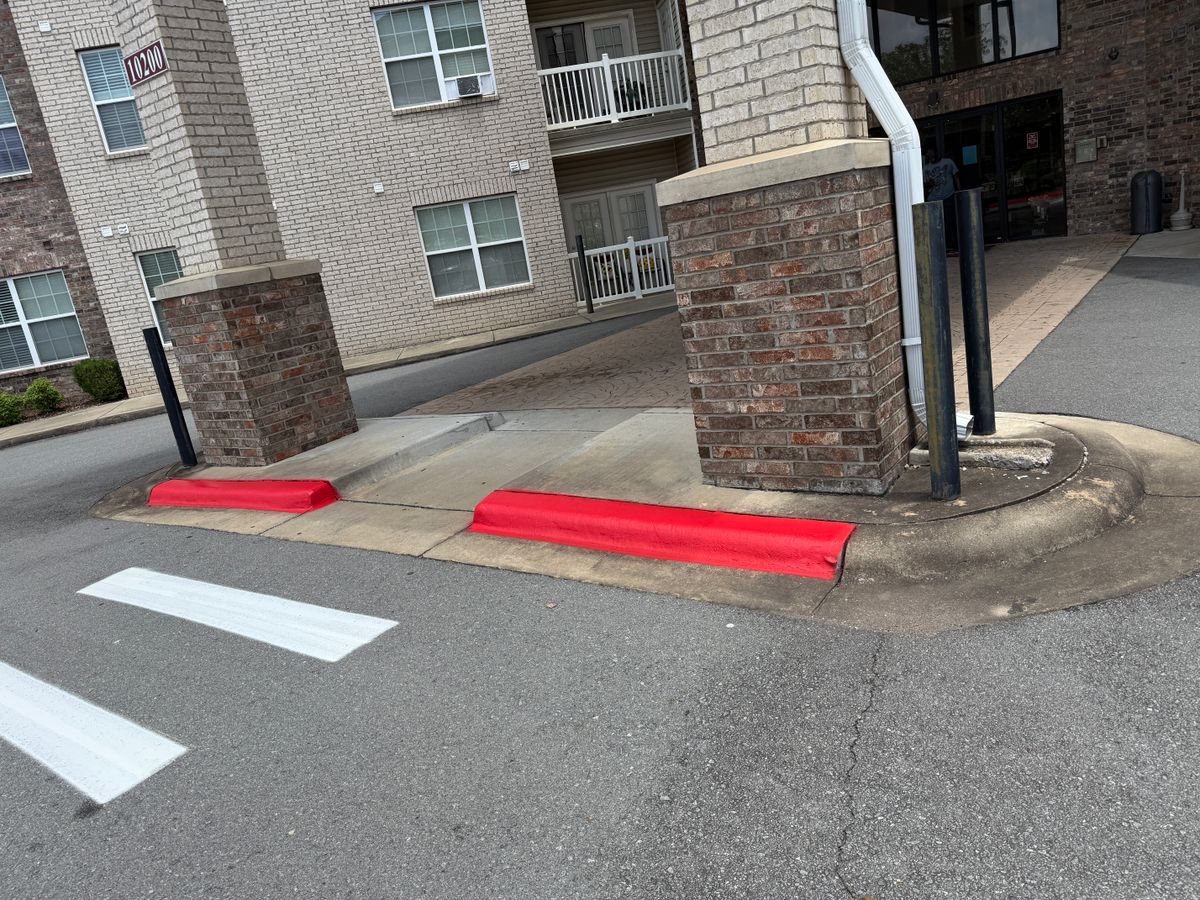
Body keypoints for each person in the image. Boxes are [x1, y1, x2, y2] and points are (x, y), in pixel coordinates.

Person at [923, 148, 960, 252]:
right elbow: (924, 184)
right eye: (927, 152)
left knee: (952, 220)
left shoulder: (948, 162)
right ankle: (946, 245)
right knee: (940, 223)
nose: (929, 154)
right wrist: (928, 184)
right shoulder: (926, 168)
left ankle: (955, 243)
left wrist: (959, 190)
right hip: (934, 198)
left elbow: (956, 175)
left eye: (930, 151)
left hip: (949, 195)